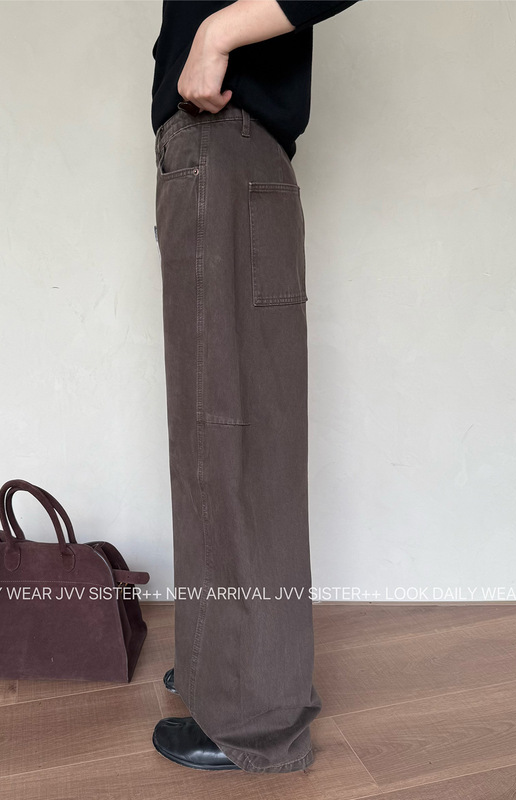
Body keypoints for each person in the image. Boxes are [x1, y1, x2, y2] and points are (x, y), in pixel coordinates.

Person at [151, 0, 362, 775]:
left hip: (223, 150)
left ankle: (251, 719)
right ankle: (235, 667)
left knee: (224, 438)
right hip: (234, 158)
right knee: (236, 435)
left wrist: (215, 35)